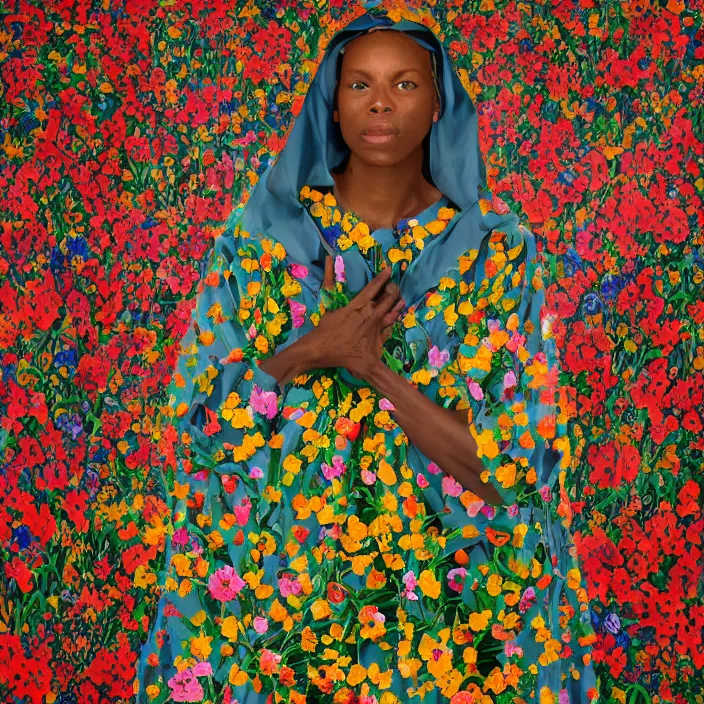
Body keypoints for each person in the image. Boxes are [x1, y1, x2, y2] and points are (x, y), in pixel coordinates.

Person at [137, 9, 599, 704]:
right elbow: (201, 427)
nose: (380, 102)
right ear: (333, 98)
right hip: (286, 604)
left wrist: (374, 370)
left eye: (405, 83)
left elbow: (512, 469)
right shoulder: (260, 240)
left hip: (449, 611)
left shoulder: (497, 250)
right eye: (360, 84)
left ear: (440, 100)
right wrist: (313, 349)